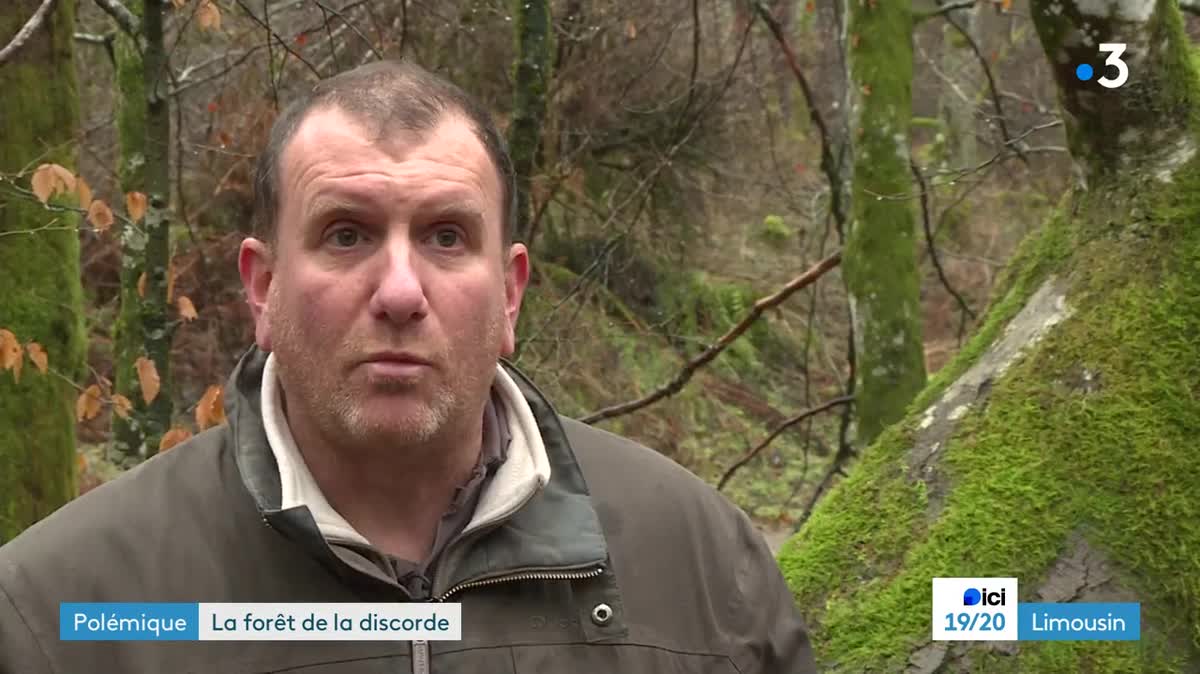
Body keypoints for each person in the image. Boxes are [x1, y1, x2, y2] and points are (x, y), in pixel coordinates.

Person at [0, 60, 816, 673]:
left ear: (509, 295)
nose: (398, 292)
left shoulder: (707, 572)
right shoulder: (61, 609)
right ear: (264, 287)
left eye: (447, 237)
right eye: (346, 234)